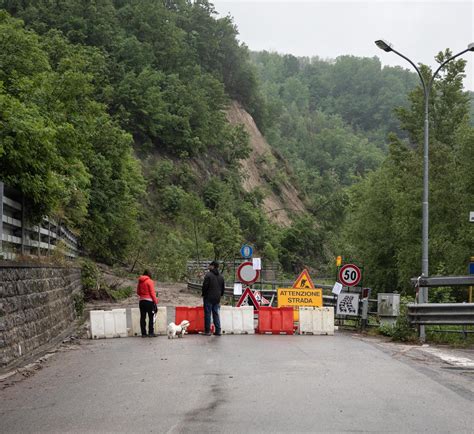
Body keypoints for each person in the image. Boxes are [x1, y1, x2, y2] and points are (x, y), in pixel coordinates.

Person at [201, 260, 225, 336]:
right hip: (217, 298)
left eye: (210, 265)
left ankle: (207, 331)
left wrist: (204, 294)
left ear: (213, 266)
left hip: (208, 297)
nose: (209, 267)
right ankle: (218, 331)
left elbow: (205, 287)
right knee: (216, 314)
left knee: (208, 314)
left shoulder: (208, 275)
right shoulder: (221, 276)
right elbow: (223, 288)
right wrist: (220, 295)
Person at [137, 270, 158, 337]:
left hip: (141, 301)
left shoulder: (140, 281)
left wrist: (143, 295)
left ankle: (143, 333)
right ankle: (151, 333)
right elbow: (152, 293)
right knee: (151, 317)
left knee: (143, 317)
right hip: (149, 302)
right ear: (149, 274)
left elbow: (138, 292)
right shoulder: (150, 281)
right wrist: (155, 301)